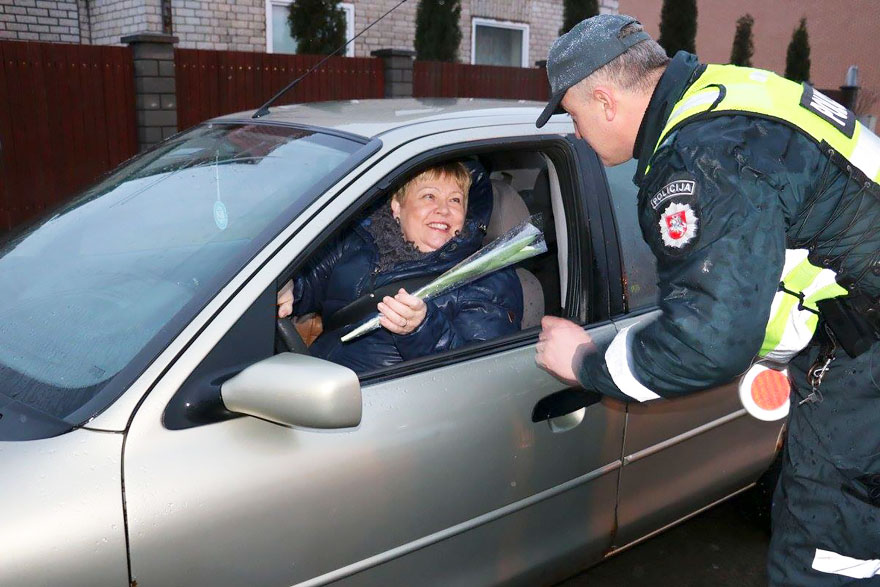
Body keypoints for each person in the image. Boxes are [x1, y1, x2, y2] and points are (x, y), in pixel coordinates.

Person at [533, 14, 880, 586]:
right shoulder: (727, 96)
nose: (577, 133)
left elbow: (707, 342)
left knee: (827, 560)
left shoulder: (700, 158)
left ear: (605, 102)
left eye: (573, 115)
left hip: (864, 364)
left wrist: (584, 363)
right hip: (856, 336)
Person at [277, 161, 523, 374]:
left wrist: (423, 329)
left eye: (455, 200)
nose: (444, 209)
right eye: (429, 196)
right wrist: (291, 288)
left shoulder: (487, 276)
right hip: (314, 380)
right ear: (397, 206)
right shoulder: (361, 241)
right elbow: (310, 282)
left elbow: (482, 372)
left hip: (388, 403)